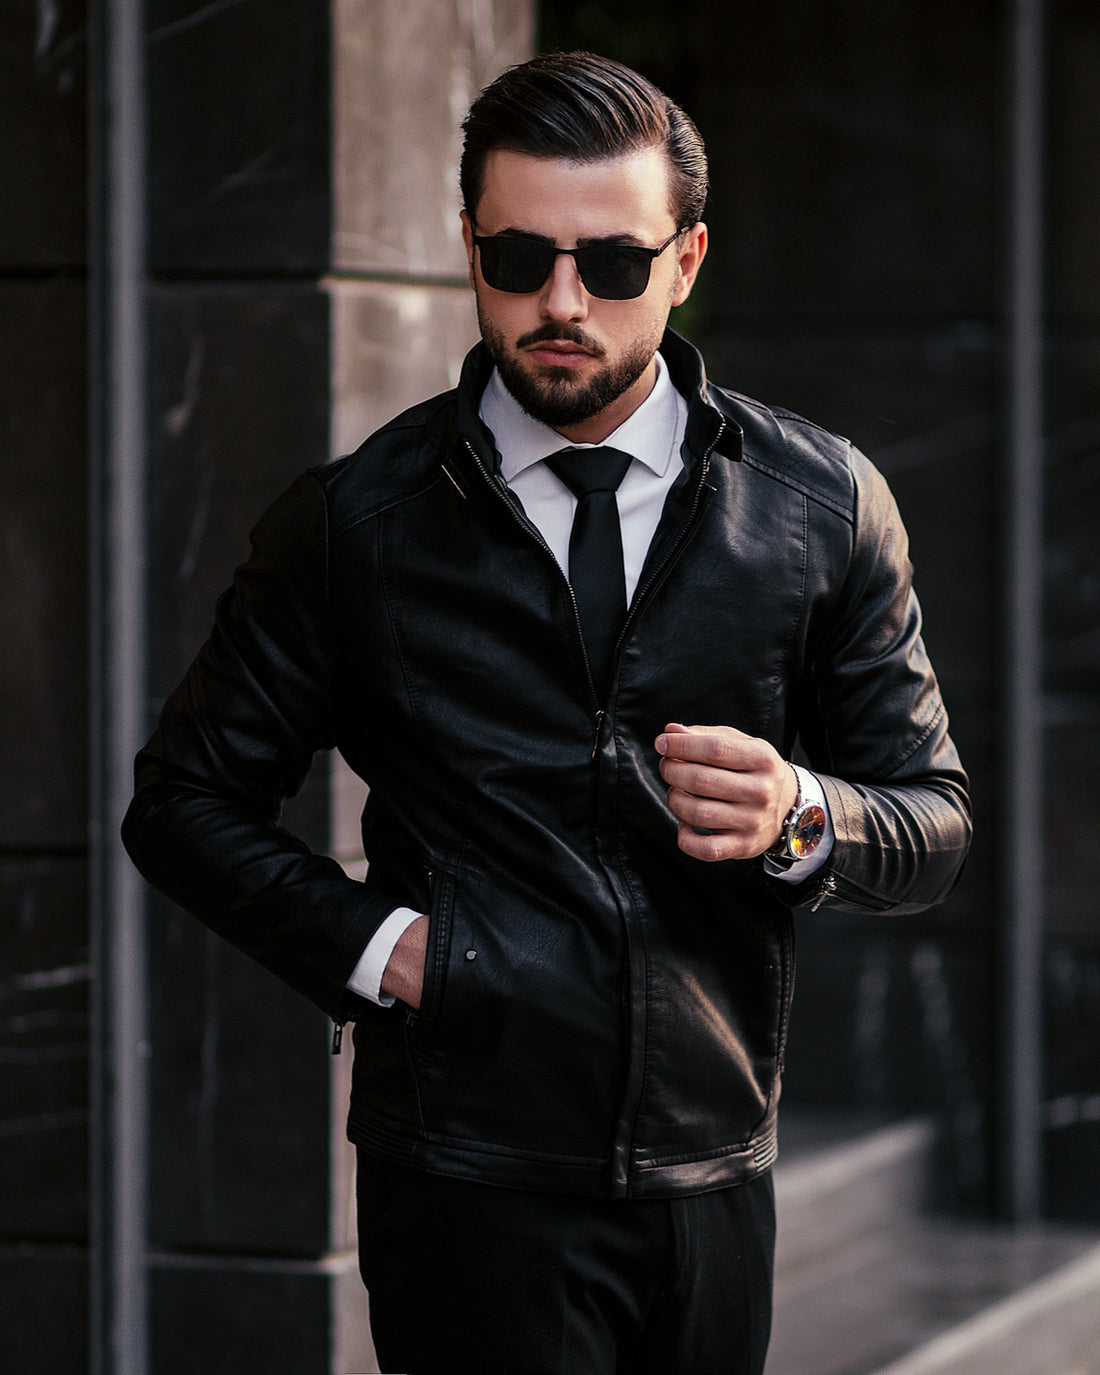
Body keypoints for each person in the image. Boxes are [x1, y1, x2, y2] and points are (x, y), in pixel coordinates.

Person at [123, 50, 971, 1375]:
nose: (561, 302)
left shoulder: (820, 505)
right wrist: (384, 945)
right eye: (517, 257)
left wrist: (806, 815)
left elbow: (934, 820)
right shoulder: (357, 526)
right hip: (464, 1178)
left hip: (710, 1172)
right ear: (467, 245)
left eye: (612, 265)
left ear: (686, 261)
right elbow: (180, 805)